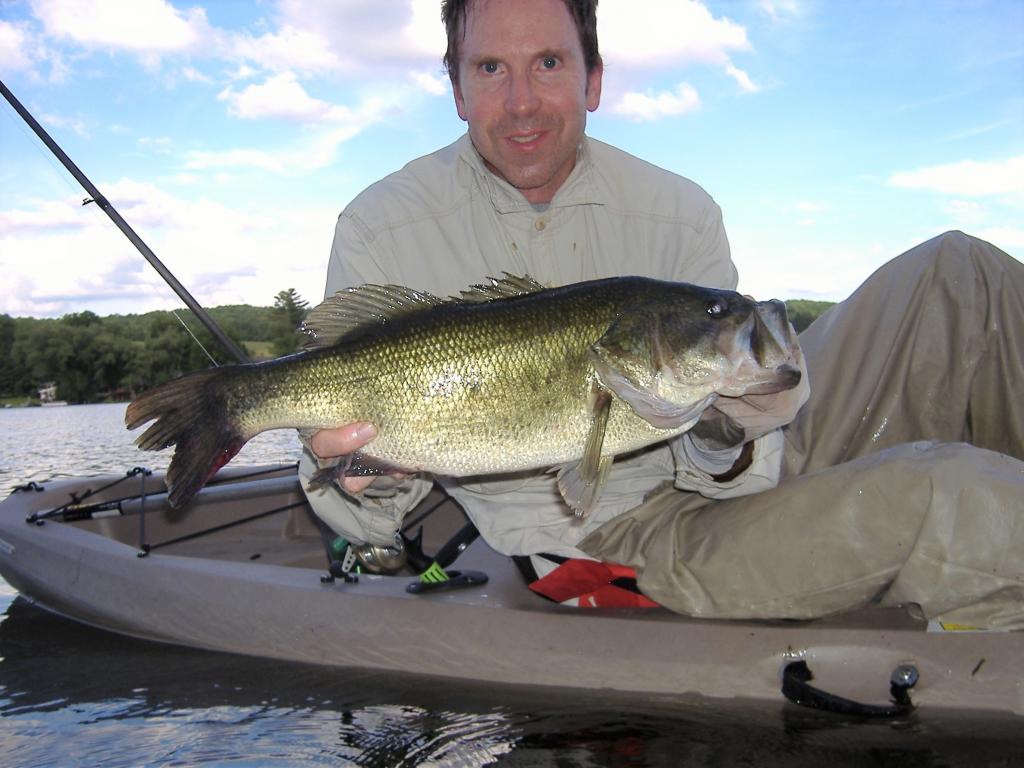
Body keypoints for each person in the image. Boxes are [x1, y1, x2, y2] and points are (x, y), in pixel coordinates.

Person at [300, 0, 1024, 627]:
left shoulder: (679, 211)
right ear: (456, 87)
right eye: (490, 68)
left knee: (963, 272)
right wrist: (364, 475)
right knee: (954, 496)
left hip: (726, 464)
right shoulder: (380, 228)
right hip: (619, 534)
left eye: (549, 62)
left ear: (594, 78)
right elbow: (368, 521)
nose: (520, 100)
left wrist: (730, 425)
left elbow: (731, 449)